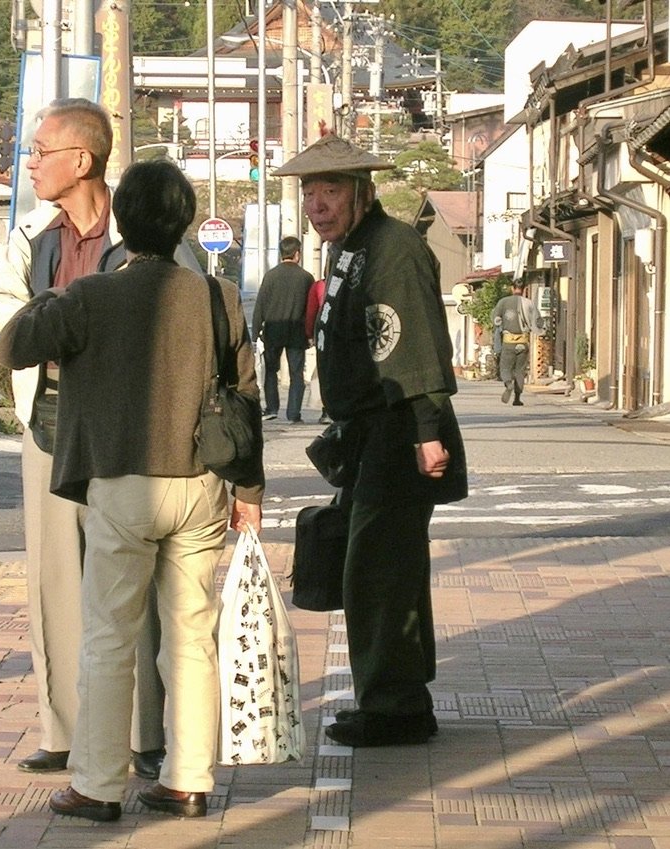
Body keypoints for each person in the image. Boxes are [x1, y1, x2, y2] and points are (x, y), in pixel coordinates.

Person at [0, 159, 265, 821]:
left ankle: (97, 783)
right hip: (201, 482)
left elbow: (13, 345)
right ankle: (187, 778)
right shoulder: (215, 295)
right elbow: (246, 394)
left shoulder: (91, 296)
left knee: (109, 637)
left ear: (124, 220)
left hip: (120, 480)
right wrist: (249, 490)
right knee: (191, 634)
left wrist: (55, 302)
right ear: (183, 224)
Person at [0, 98, 167, 779]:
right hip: (51, 419)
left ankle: (146, 736)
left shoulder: (140, 226)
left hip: (124, 428)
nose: (26, 163)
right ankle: (62, 728)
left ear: (80, 160)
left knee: (130, 582)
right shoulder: (33, 233)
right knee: (54, 579)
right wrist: (48, 323)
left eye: (38, 151)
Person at [276, 133, 468, 747]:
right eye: (309, 192)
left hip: (399, 431)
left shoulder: (394, 248)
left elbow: (413, 345)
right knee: (386, 569)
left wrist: (428, 431)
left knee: (378, 572)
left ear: (362, 190)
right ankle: (401, 695)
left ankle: (393, 706)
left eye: (329, 189)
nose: (317, 204)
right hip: (366, 434)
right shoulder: (350, 249)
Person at [252, 236, 315, 423]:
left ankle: (271, 408)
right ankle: (293, 413)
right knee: (297, 374)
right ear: (297, 254)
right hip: (297, 333)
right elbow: (310, 308)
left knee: (271, 371)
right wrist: (310, 332)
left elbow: (260, 306)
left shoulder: (270, 276)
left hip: (273, 331)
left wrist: (255, 334)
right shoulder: (306, 278)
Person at [491, 280, 543, 407]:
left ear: (512, 288)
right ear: (524, 289)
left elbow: (496, 319)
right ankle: (517, 398)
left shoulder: (503, 302)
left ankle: (508, 384)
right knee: (520, 371)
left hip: (508, 342)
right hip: (523, 341)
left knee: (505, 368)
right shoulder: (529, 303)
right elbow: (538, 322)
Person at [304, 277, 331, 424]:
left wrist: (309, 334)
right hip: (347, 333)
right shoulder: (351, 281)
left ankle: (326, 410)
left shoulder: (320, 286)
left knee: (325, 370)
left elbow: (311, 311)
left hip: (324, 333)